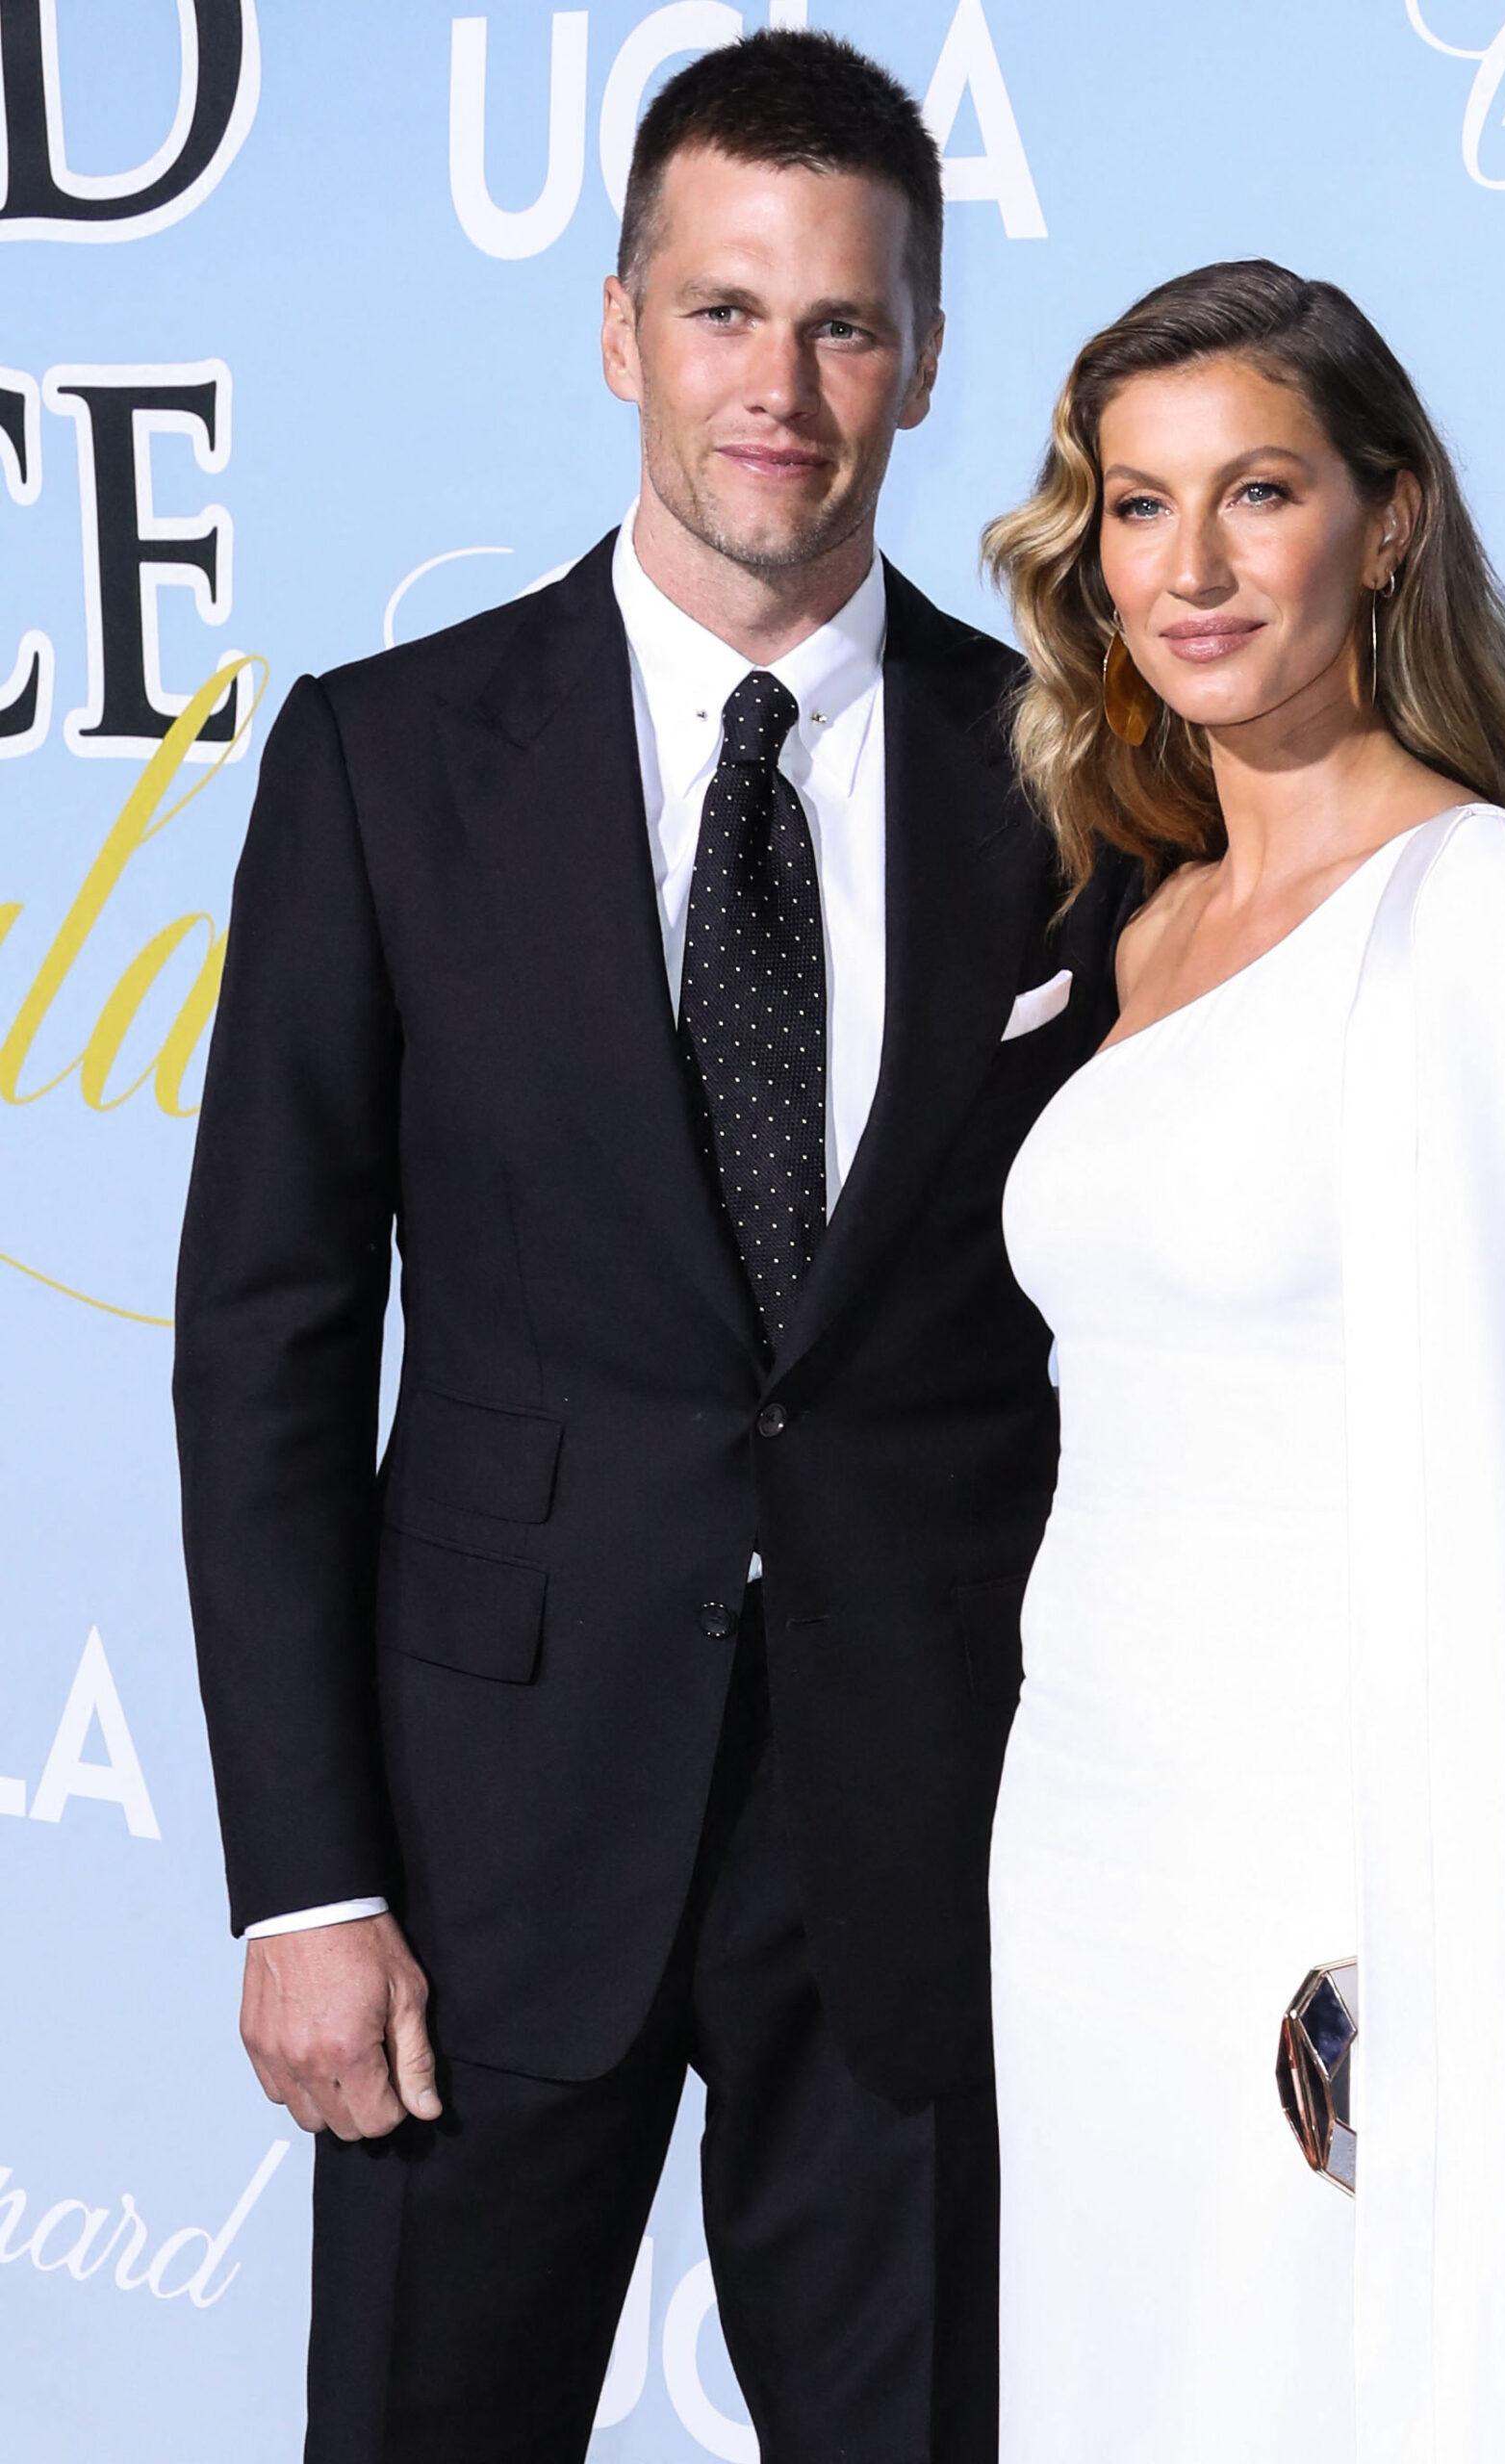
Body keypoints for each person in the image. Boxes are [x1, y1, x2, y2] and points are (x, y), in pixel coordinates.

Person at [171, 31, 1122, 2462]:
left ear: (919, 354)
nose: (778, 389)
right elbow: (266, 1346)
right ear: (618, 331)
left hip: (922, 1860)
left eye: (839, 323)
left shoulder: (1073, 790)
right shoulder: (386, 761)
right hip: (479, 1866)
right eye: (721, 312)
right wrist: (302, 1877)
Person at [981, 262, 1505, 2462]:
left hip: (1313, 1910)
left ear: (1385, 521)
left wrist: (1429, 1971)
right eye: (1137, 507)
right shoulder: (1132, 920)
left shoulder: (1476, 916)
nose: (1191, 569)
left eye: (1259, 493)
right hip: (1092, 1858)